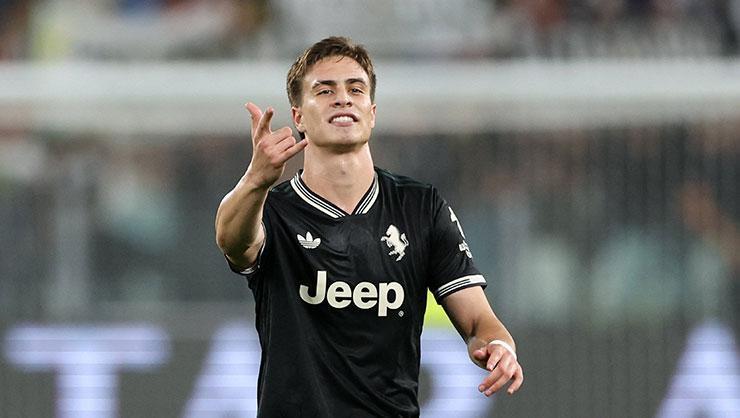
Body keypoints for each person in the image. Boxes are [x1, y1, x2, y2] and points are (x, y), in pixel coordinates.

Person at [215, 36, 523, 417]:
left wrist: (499, 346)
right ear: (298, 117)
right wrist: (255, 181)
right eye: (325, 91)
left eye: (355, 89)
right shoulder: (273, 211)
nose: (343, 99)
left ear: (372, 112)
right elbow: (232, 241)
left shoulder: (420, 207)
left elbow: (479, 321)